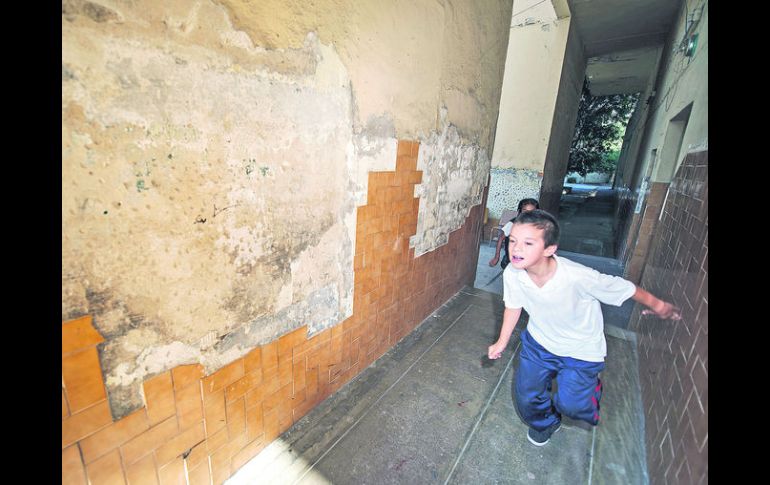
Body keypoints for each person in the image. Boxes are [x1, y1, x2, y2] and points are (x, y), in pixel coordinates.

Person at [487, 209, 681, 446]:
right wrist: (502, 341)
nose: (516, 249)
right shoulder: (513, 274)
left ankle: (589, 388)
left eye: (528, 243)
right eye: (513, 241)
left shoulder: (577, 276)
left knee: (575, 407)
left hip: (581, 350)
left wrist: (659, 305)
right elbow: (514, 306)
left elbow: (624, 288)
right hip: (539, 343)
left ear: (549, 249)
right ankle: (547, 423)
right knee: (527, 399)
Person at [488, 198, 540, 268]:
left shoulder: (538, 225)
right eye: (525, 211)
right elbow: (501, 238)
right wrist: (496, 257)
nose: (528, 214)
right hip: (510, 259)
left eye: (532, 211)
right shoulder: (512, 224)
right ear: (519, 211)